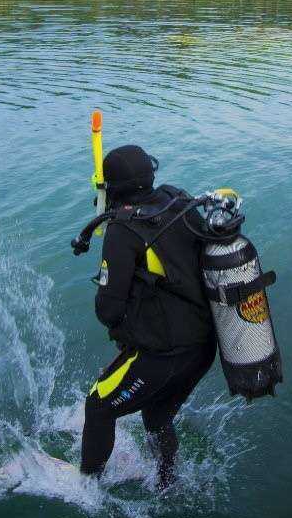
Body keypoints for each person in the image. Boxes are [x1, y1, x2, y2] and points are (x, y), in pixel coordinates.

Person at [77, 145, 216, 488]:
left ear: (111, 189)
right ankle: (168, 483)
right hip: (203, 348)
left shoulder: (123, 230)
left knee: (98, 406)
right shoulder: (177, 201)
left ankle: (86, 490)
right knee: (156, 416)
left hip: (164, 357)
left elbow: (108, 311)